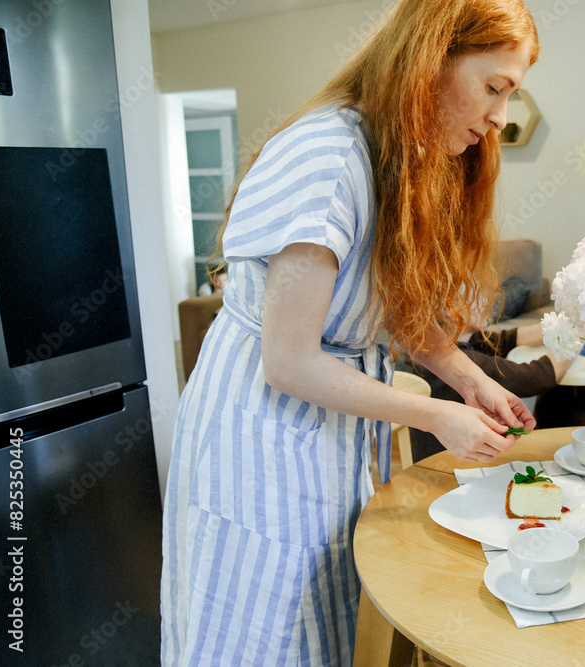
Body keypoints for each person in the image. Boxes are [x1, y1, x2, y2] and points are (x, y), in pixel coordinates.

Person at [160, 2, 539, 665]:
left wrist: (472, 381)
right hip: (260, 435)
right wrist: (438, 415)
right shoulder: (328, 157)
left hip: (319, 434)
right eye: (494, 87)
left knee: (316, 618)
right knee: (260, 630)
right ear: (433, 59)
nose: (501, 117)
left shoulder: (400, 159)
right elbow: (290, 361)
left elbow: (395, 312)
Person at [401, 322, 573, 461]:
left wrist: (563, 324)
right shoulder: (469, 358)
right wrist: (575, 336)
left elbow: (503, 339)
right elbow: (539, 375)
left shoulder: (455, 348)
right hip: (446, 466)